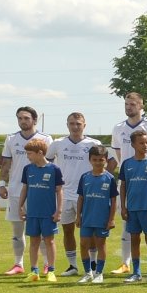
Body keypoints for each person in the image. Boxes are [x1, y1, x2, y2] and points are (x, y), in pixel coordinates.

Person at [109, 93, 147, 277]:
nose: (128, 107)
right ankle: (126, 264)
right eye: (126, 104)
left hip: (146, 186)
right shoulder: (118, 128)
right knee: (128, 228)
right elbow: (119, 155)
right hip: (130, 181)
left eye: (132, 104)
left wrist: (146, 169)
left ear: (141, 106)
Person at [0, 107, 53, 277]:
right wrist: (1, 183)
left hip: (40, 192)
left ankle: (45, 264)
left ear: (34, 120)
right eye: (20, 118)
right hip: (16, 189)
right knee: (17, 229)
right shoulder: (11, 139)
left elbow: (50, 165)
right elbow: (6, 163)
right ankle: (18, 263)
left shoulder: (45, 139)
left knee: (43, 232)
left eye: (26, 118)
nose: (23, 121)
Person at [49, 112, 99, 276]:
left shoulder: (93, 143)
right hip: (64, 195)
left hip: (86, 195)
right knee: (67, 230)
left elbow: (108, 163)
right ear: (67, 125)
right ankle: (73, 266)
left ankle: (92, 264)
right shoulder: (58, 143)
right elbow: (48, 162)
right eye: (72, 123)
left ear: (84, 125)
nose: (75, 126)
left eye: (78, 123)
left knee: (89, 231)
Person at [117, 130, 147, 283]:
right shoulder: (127, 164)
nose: (145, 145)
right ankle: (136, 272)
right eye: (141, 143)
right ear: (133, 144)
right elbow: (123, 186)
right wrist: (123, 207)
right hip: (132, 209)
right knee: (134, 239)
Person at [16, 138, 62, 282]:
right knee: (34, 242)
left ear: (40, 153)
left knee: (49, 241)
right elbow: (25, 188)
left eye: (29, 153)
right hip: (32, 213)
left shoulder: (54, 169)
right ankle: (34, 271)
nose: (27, 156)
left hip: (48, 213)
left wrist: (59, 211)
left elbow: (59, 191)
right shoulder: (28, 169)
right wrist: (20, 207)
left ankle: (51, 271)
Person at [75, 146, 117, 284]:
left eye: (101, 160)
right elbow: (81, 198)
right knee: (83, 244)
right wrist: (78, 216)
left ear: (105, 161)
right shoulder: (84, 177)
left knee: (101, 244)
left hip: (102, 218)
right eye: (95, 159)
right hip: (87, 217)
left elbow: (113, 200)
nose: (98, 162)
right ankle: (88, 273)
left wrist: (111, 219)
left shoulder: (109, 178)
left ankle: (99, 273)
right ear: (90, 160)